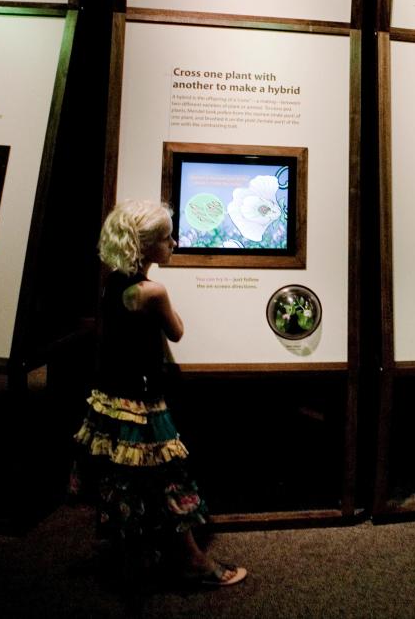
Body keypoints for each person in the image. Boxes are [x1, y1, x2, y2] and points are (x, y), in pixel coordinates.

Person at [71, 199, 246, 587]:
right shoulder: (155, 291)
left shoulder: (113, 281)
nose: (174, 243)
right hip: (143, 403)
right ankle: (193, 562)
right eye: (167, 239)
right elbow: (177, 330)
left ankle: (138, 556)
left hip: (110, 399)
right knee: (166, 478)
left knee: (127, 481)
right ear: (147, 245)